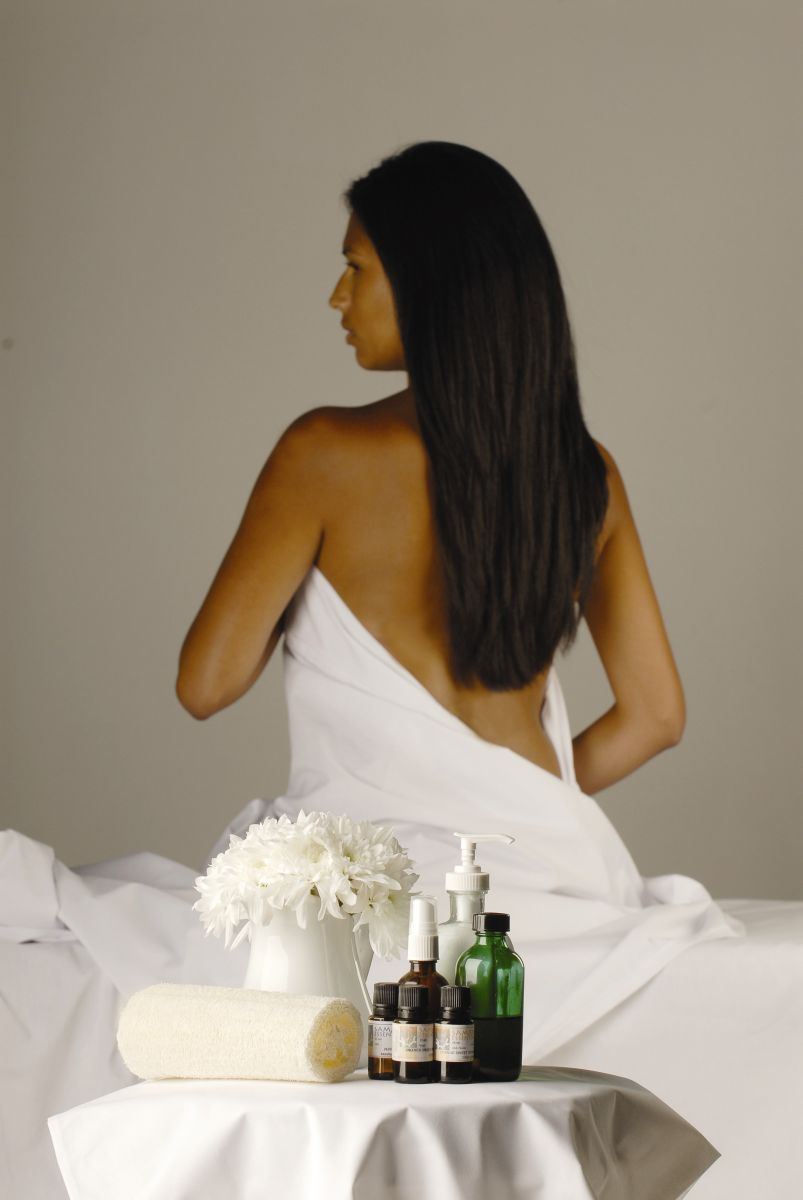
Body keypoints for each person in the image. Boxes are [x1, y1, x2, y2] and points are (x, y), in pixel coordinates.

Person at [176, 139, 685, 800]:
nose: (337, 297)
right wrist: (529, 813)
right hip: (552, 858)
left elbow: (205, 686)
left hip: (383, 871)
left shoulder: (321, 453)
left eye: (355, 268)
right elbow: (656, 718)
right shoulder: (587, 473)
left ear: (427, 281)